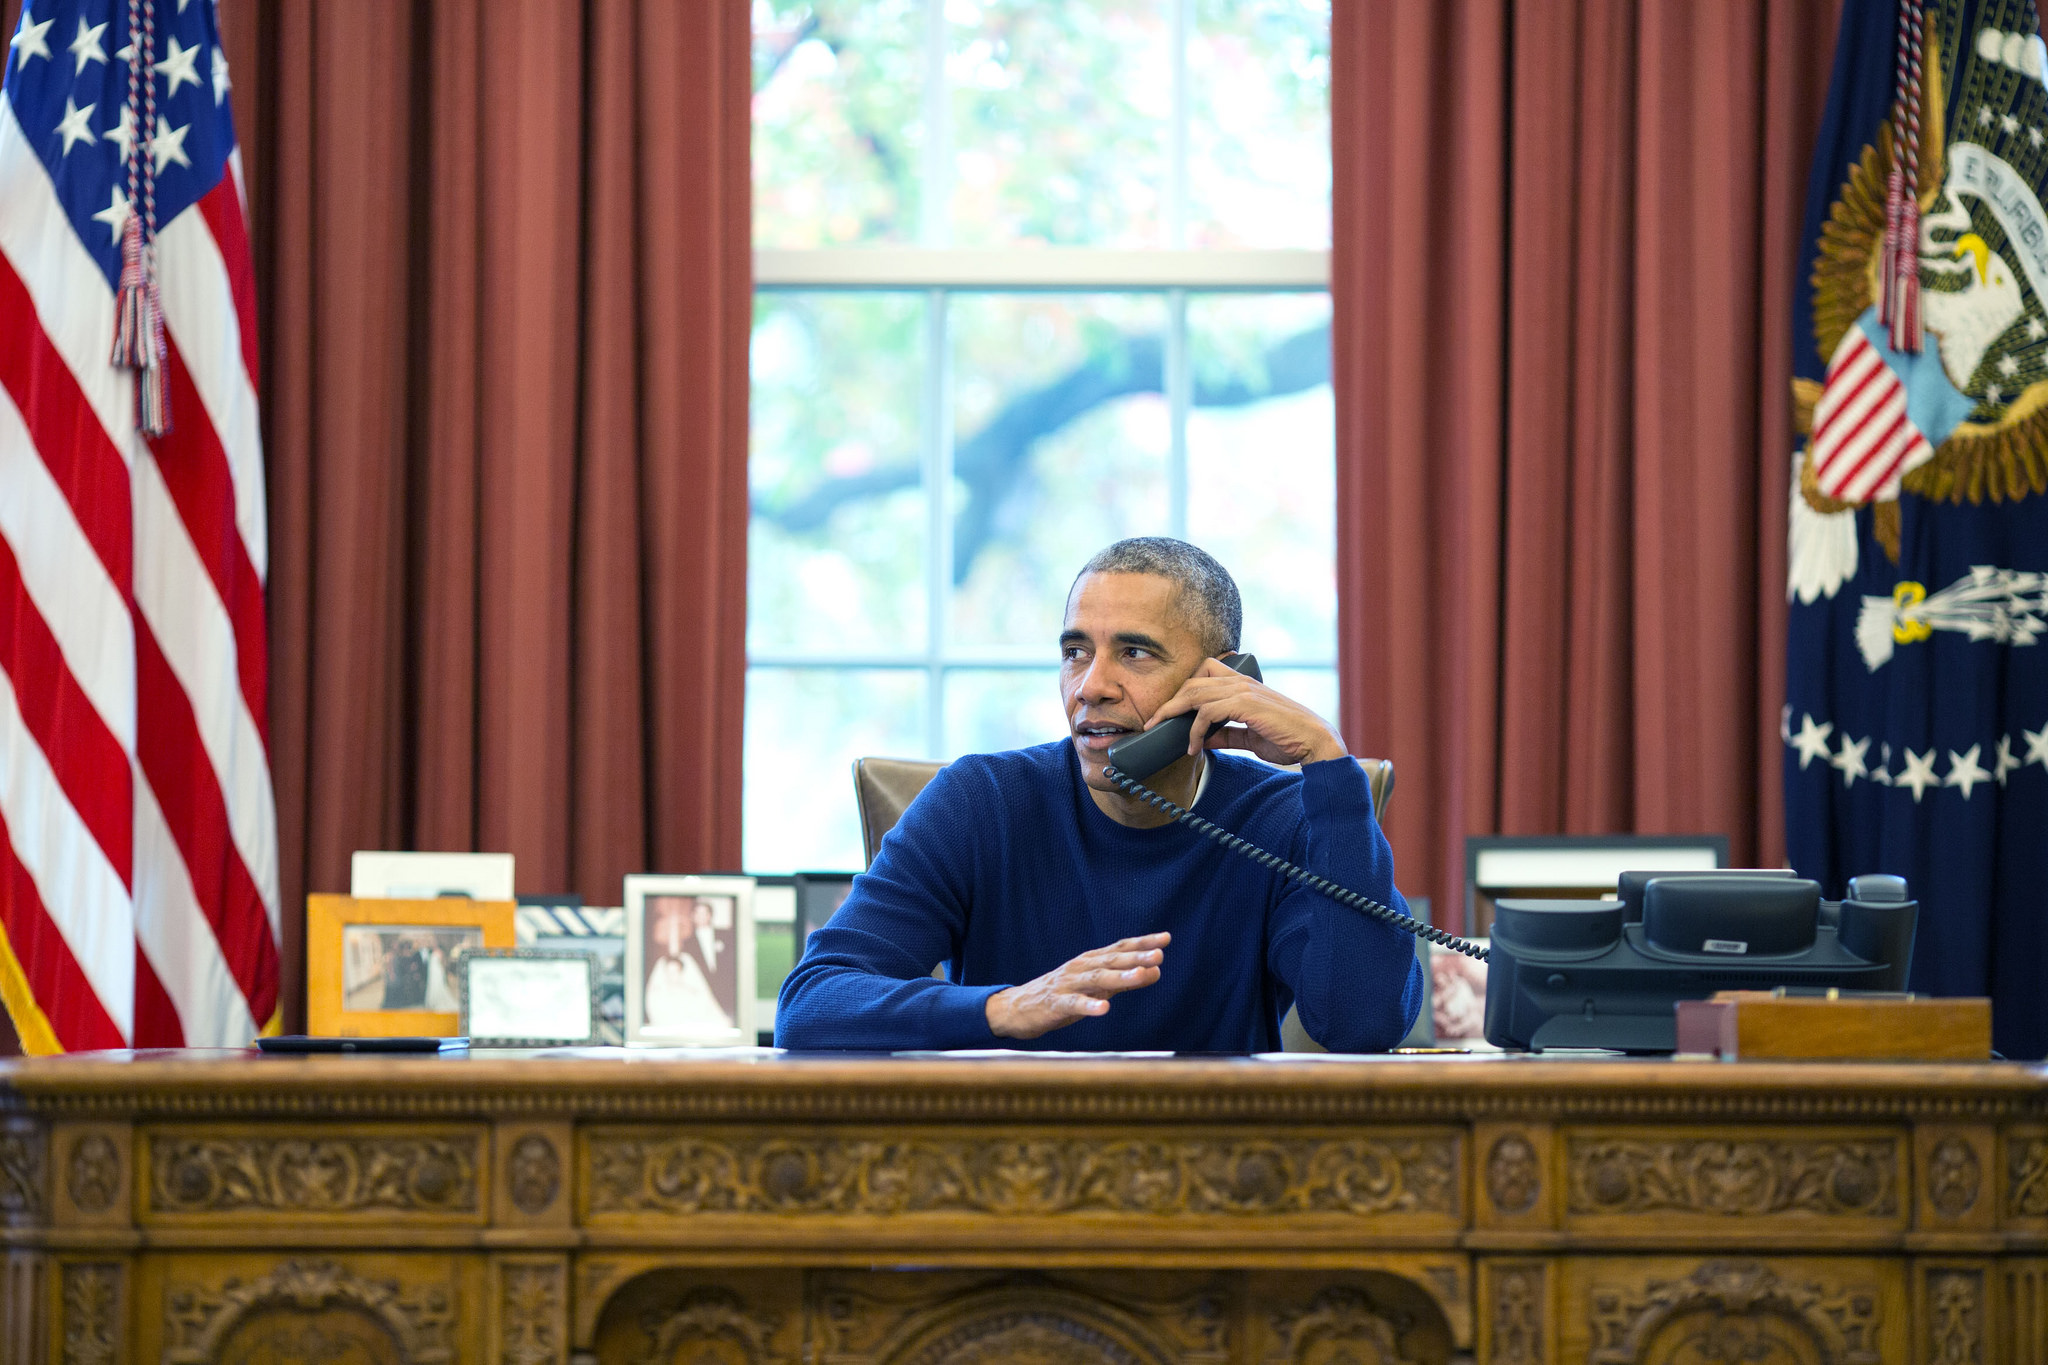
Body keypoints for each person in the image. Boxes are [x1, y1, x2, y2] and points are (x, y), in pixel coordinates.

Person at [776, 537, 1422, 1053]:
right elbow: (811, 1004)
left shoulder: (1282, 819)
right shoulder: (980, 801)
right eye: (1075, 651)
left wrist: (1329, 768)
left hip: (1220, 1178)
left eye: (1134, 653)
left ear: (1221, 679)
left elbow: (1361, 1024)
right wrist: (1006, 1007)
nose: (1091, 685)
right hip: (1006, 1180)